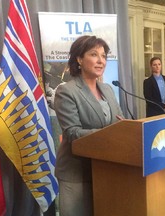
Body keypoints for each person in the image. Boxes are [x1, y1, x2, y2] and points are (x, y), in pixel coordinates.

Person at [53, 35, 124, 216]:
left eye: (104, 56)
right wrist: (110, 134)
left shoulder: (107, 89)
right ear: (79, 59)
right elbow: (72, 133)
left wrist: (126, 128)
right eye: (94, 55)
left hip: (106, 168)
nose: (101, 61)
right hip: (77, 172)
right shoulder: (66, 91)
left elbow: (119, 121)